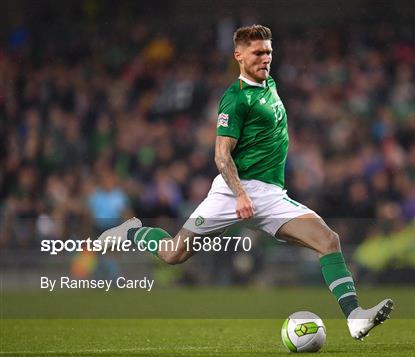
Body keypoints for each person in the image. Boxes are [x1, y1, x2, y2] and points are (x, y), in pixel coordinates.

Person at [98, 25, 393, 340]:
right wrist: (239, 195)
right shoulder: (235, 99)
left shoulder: (270, 85)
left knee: (328, 240)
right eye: (257, 52)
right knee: (173, 254)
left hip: (271, 196)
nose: (265, 58)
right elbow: (221, 156)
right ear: (238, 56)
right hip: (232, 192)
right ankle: (132, 230)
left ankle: (355, 318)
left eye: (268, 51)